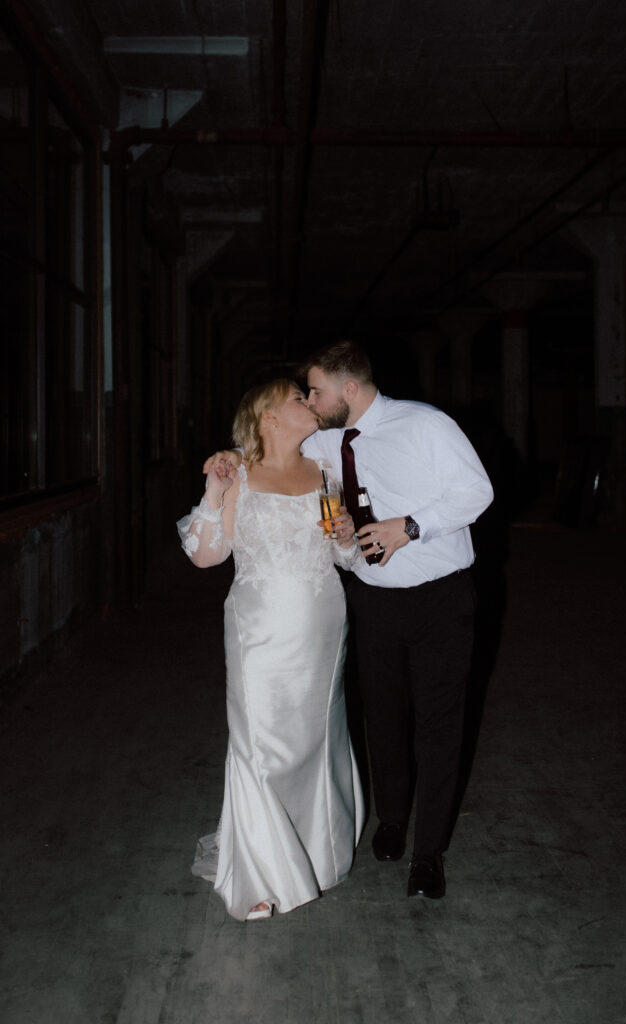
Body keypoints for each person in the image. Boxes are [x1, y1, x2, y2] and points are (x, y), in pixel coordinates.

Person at [300, 340, 494, 900]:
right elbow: (276, 445)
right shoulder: (325, 437)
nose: (311, 401)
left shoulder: (426, 426)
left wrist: (408, 527)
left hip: (441, 599)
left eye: (316, 391)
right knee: (382, 716)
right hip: (373, 598)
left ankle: (429, 853)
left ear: (349, 390)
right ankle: (391, 819)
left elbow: (477, 491)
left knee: (438, 724)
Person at [177, 379, 364, 922]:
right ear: (267, 418)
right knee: (260, 746)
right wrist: (213, 491)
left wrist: (349, 534)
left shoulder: (325, 475)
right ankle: (258, 873)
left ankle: (314, 853)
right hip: (258, 630)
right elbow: (207, 557)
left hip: (323, 625)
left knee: (314, 743)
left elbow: (345, 558)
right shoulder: (237, 472)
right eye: (297, 399)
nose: (310, 404)